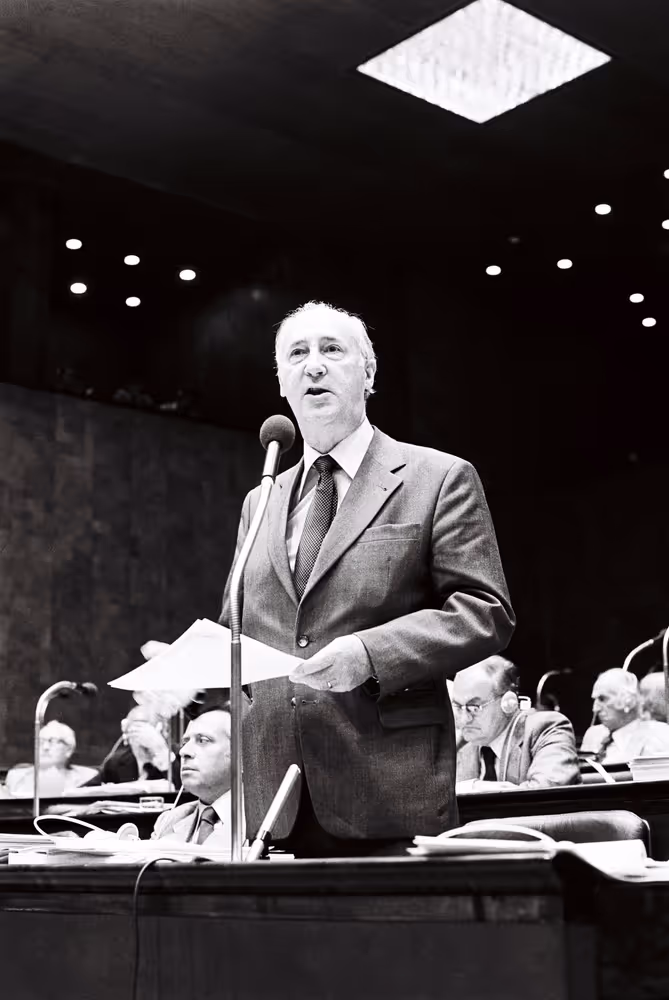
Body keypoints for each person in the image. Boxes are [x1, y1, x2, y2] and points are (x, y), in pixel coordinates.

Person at [220, 300, 515, 857]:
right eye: (297, 354)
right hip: (270, 804)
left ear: (369, 372)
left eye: (332, 350)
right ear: (282, 382)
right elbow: (239, 626)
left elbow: (484, 610)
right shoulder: (261, 498)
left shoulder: (438, 477)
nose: (314, 365)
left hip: (386, 793)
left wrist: (369, 653)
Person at [454, 656, 580, 792]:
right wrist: (471, 787)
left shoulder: (547, 728)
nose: (464, 718)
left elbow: (544, 795)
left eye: (474, 708)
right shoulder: (460, 744)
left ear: (508, 703)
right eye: (458, 706)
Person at [152, 706, 239, 848]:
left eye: (203, 740)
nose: (183, 751)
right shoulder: (168, 821)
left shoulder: (267, 823)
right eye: (185, 742)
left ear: (240, 754)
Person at [581, 668, 669, 763]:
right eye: (595, 700)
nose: (595, 709)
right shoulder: (593, 735)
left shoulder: (659, 734)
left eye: (602, 699)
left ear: (628, 700)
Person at [84, 704, 173, 785]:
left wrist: (160, 751)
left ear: (163, 731)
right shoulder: (116, 762)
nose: (140, 738)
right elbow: (86, 791)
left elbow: (182, 789)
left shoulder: (181, 757)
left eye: (144, 730)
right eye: (134, 730)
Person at [5, 721, 97, 797]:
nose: (45, 747)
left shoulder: (87, 777)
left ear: (69, 749)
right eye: (40, 741)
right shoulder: (16, 777)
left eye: (52, 741)